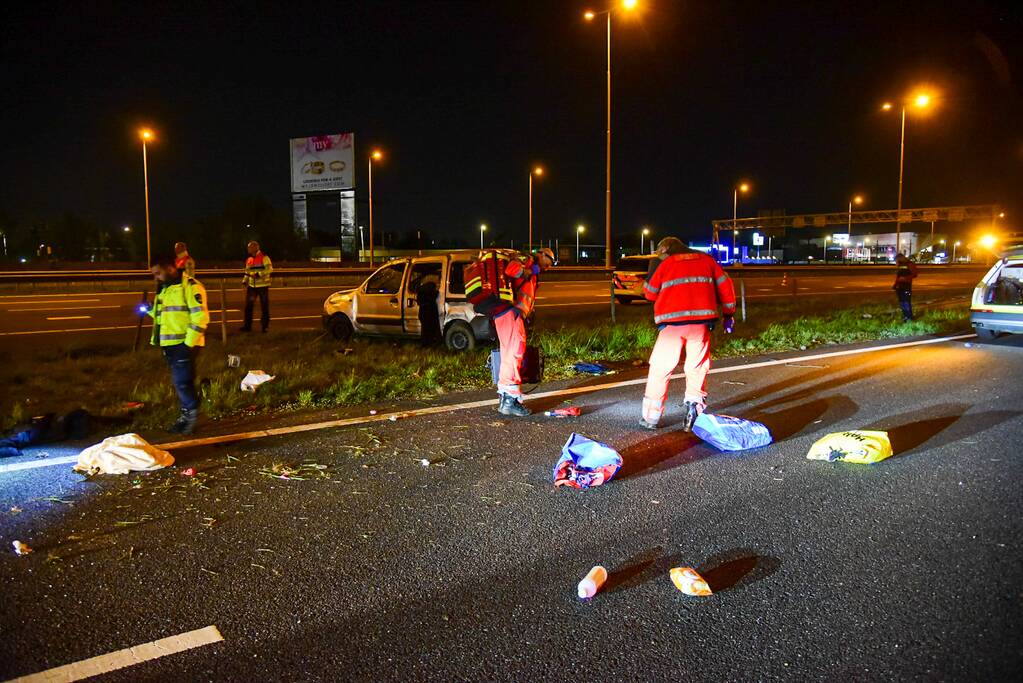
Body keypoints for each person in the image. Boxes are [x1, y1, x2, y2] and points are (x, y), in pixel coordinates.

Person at [640, 237, 737, 431]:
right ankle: (694, 411)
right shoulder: (708, 261)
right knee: (697, 367)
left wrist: (653, 271)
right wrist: (728, 315)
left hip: (671, 327)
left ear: (666, 248)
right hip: (701, 324)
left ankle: (651, 417)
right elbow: (726, 289)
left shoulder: (666, 264)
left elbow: (649, 293)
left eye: (660, 252)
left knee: (661, 368)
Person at [148, 254, 209, 434]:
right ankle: (188, 416)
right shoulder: (165, 289)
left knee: (182, 382)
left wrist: (187, 345)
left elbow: (200, 317)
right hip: (169, 345)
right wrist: (151, 310)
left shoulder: (190, 287)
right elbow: (166, 318)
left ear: (170, 269)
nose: (156, 278)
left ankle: (193, 418)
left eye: (158, 273)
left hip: (184, 344)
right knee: (182, 383)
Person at [493, 247, 556, 417]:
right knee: (515, 352)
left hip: (508, 313)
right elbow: (511, 269)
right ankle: (510, 401)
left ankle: (506, 398)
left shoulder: (533, 267)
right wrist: (528, 271)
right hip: (511, 312)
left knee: (509, 354)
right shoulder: (527, 259)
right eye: (548, 262)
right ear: (542, 254)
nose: (547, 267)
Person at [241, 240, 272, 332]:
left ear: (255, 247)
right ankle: (247, 326)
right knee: (248, 307)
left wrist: (259, 274)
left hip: (262, 286)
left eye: (249, 247)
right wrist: (244, 281)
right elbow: (247, 271)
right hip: (252, 286)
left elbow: (269, 269)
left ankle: (265, 327)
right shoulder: (249, 259)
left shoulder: (264, 257)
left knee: (264, 307)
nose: (248, 249)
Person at [416, 276, 442, 346]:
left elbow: (418, 302)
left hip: (423, 312)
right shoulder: (433, 292)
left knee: (424, 329)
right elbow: (436, 295)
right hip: (431, 312)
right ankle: (432, 342)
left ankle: (425, 343)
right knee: (432, 329)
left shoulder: (420, 291)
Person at [893, 254, 918, 322]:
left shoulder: (910, 264)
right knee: (902, 302)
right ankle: (905, 316)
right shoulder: (900, 264)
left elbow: (915, 274)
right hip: (900, 286)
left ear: (901, 258)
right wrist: (895, 285)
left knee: (906, 302)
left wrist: (905, 278)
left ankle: (909, 317)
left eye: (897, 260)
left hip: (906, 285)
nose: (896, 262)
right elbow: (898, 276)